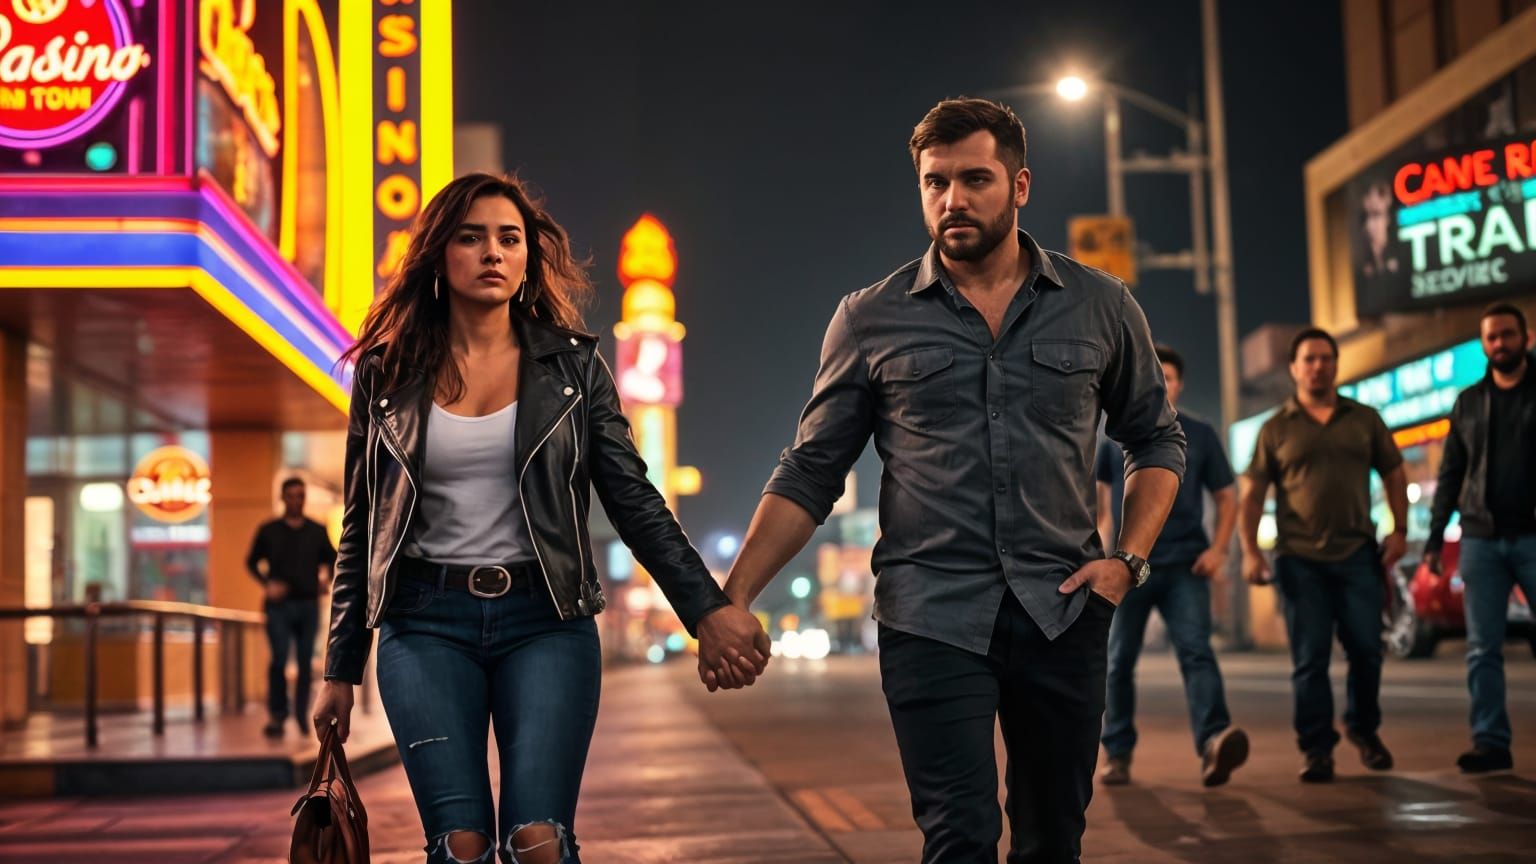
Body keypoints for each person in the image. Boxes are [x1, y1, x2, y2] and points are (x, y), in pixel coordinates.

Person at [708, 98, 1185, 864]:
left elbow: (1156, 441)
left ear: (1020, 186)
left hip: (1063, 612)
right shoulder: (871, 318)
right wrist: (730, 601)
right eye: (935, 182)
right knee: (958, 837)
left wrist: (1126, 562)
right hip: (929, 615)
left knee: (1052, 836)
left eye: (975, 179)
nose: (953, 199)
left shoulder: (1101, 306)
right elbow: (810, 471)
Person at [312, 173, 769, 864]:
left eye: (509, 239)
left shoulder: (573, 367)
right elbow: (361, 526)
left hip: (546, 621)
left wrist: (705, 610)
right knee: (460, 844)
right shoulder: (388, 374)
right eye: (471, 238)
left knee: (537, 841)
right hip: (423, 623)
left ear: (528, 258)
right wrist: (338, 669)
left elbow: (636, 503)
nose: (492, 253)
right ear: (439, 255)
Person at [1239, 328, 1408, 783]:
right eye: (1308, 359)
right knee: (1310, 659)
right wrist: (1251, 552)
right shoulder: (1276, 428)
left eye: (1325, 358)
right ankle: (1316, 749)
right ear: (1293, 368)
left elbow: (1394, 473)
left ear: (1335, 365)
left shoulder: (1364, 419)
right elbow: (1252, 496)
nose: (1317, 366)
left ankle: (1364, 730)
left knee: (1367, 650)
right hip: (1299, 560)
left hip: (1358, 555)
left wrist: (1400, 531)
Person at [1095, 345, 1247, 787]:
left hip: (1185, 566)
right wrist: (1104, 560)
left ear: (1180, 384)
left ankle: (1214, 742)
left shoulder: (1200, 433)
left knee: (1197, 653)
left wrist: (1219, 550)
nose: (1164, 382)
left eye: (1172, 376)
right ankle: (1117, 753)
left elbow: (1227, 496)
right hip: (1128, 567)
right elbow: (1103, 508)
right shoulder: (1113, 436)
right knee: (1118, 660)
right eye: (1156, 374)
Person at [1424, 302, 1536, 774]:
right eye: (1491, 337)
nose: (1499, 344)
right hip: (1481, 539)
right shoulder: (1469, 401)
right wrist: (1434, 539)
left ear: (1525, 337)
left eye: (1507, 335)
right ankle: (1490, 742)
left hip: (1533, 535)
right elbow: (1451, 473)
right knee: (1481, 647)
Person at [246, 476, 335, 739]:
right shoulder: (269, 530)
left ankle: (301, 716)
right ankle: (277, 715)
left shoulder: (316, 531)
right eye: (291, 495)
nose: (296, 500)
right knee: (279, 659)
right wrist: (267, 583)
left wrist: (325, 580)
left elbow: (333, 558)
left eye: (300, 495)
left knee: (307, 662)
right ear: (283, 498)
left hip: (308, 604)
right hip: (279, 606)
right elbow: (252, 562)